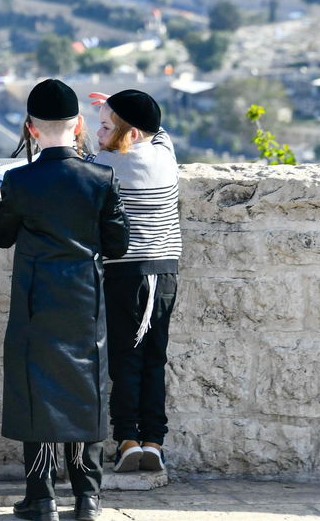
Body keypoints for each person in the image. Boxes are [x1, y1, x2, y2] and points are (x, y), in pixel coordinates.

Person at [0, 79, 128, 521]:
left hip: (36, 302)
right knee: (87, 390)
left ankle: (42, 498)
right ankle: (88, 498)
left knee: (37, 391)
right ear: (79, 125)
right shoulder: (101, 178)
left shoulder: (19, 180)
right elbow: (118, 243)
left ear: (31, 129)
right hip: (84, 299)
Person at [90, 89, 180, 474]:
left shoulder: (104, 166)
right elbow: (160, 132)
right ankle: (154, 442)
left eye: (105, 126)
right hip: (165, 272)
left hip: (124, 275)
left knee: (125, 360)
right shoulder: (165, 157)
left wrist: (115, 111)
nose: (97, 133)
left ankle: (127, 439)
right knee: (154, 359)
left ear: (130, 135)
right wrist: (122, 109)